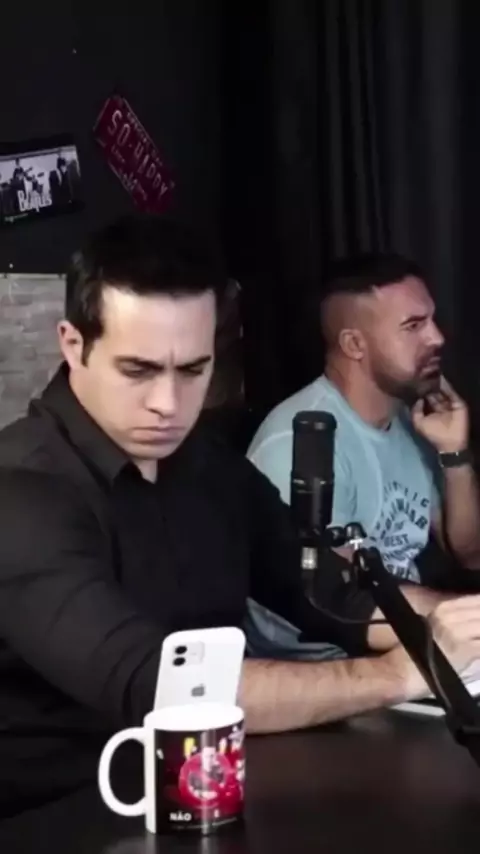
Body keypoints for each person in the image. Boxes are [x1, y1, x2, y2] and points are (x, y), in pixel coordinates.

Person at [1, 225, 480, 817]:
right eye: (138, 370)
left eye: (193, 369)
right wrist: (400, 675)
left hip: (209, 793)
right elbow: (165, 686)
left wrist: (454, 626)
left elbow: (325, 591)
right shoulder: (21, 491)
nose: (168, 404)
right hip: (56, 816)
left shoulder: (206, 464)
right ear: (74, 345)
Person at [247, 253, 480, 655]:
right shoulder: (301, 440)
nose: (437, 337)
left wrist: (454, 453)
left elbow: (471, 555)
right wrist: (465, 620)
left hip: (401, 637)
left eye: (432, 320)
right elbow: (340, 600)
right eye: (413, 326)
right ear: (354, 344)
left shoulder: (411, 422)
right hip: (326, 664)